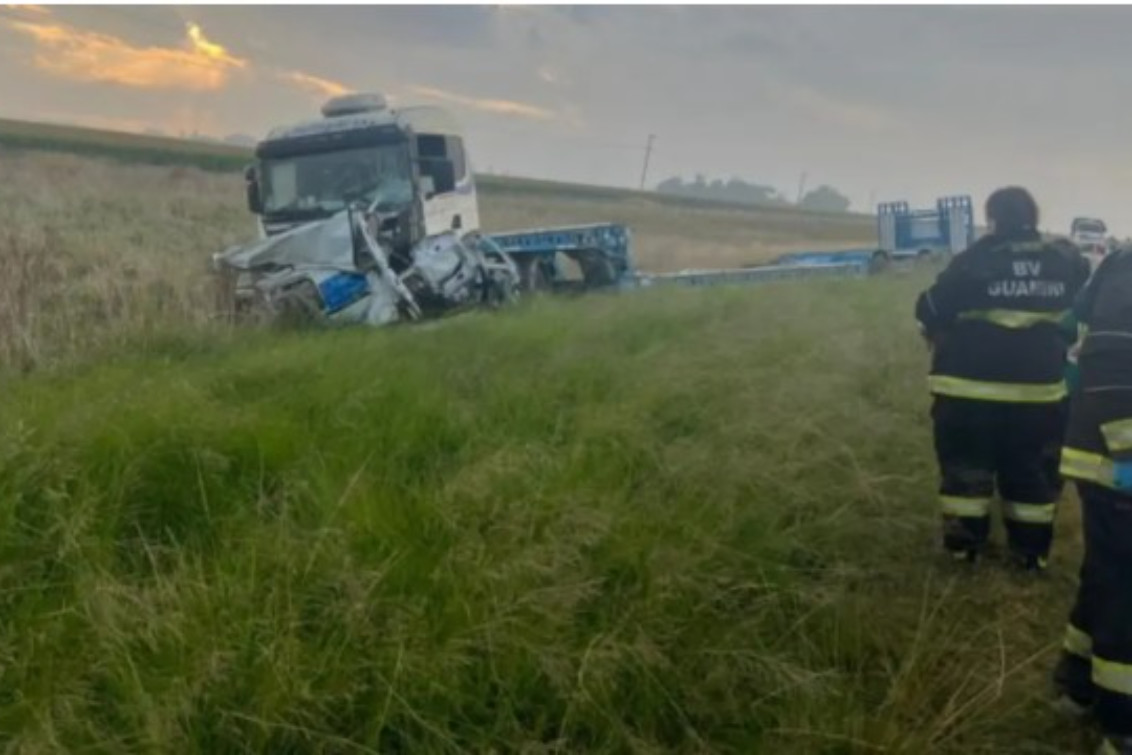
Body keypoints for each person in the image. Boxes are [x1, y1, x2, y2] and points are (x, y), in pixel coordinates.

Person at [914, 186, 1090, 570]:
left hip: (966, 394)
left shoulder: (974, 259)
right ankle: (1030, 555)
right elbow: (1082, 309)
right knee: (1032, 475)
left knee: (965, 469)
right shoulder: (1065, 260)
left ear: (993, 217)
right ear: (1035, 216)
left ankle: (964, 549)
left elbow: (929, 308)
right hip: (1040, 394)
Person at [1051, 244, 1132, 754]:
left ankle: (1077, 684)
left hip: (1101, 449)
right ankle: (1122, 727)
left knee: (1110, 568)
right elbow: (1110, 355)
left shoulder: (1122, 261)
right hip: (1121, 455)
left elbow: (1071, 324)